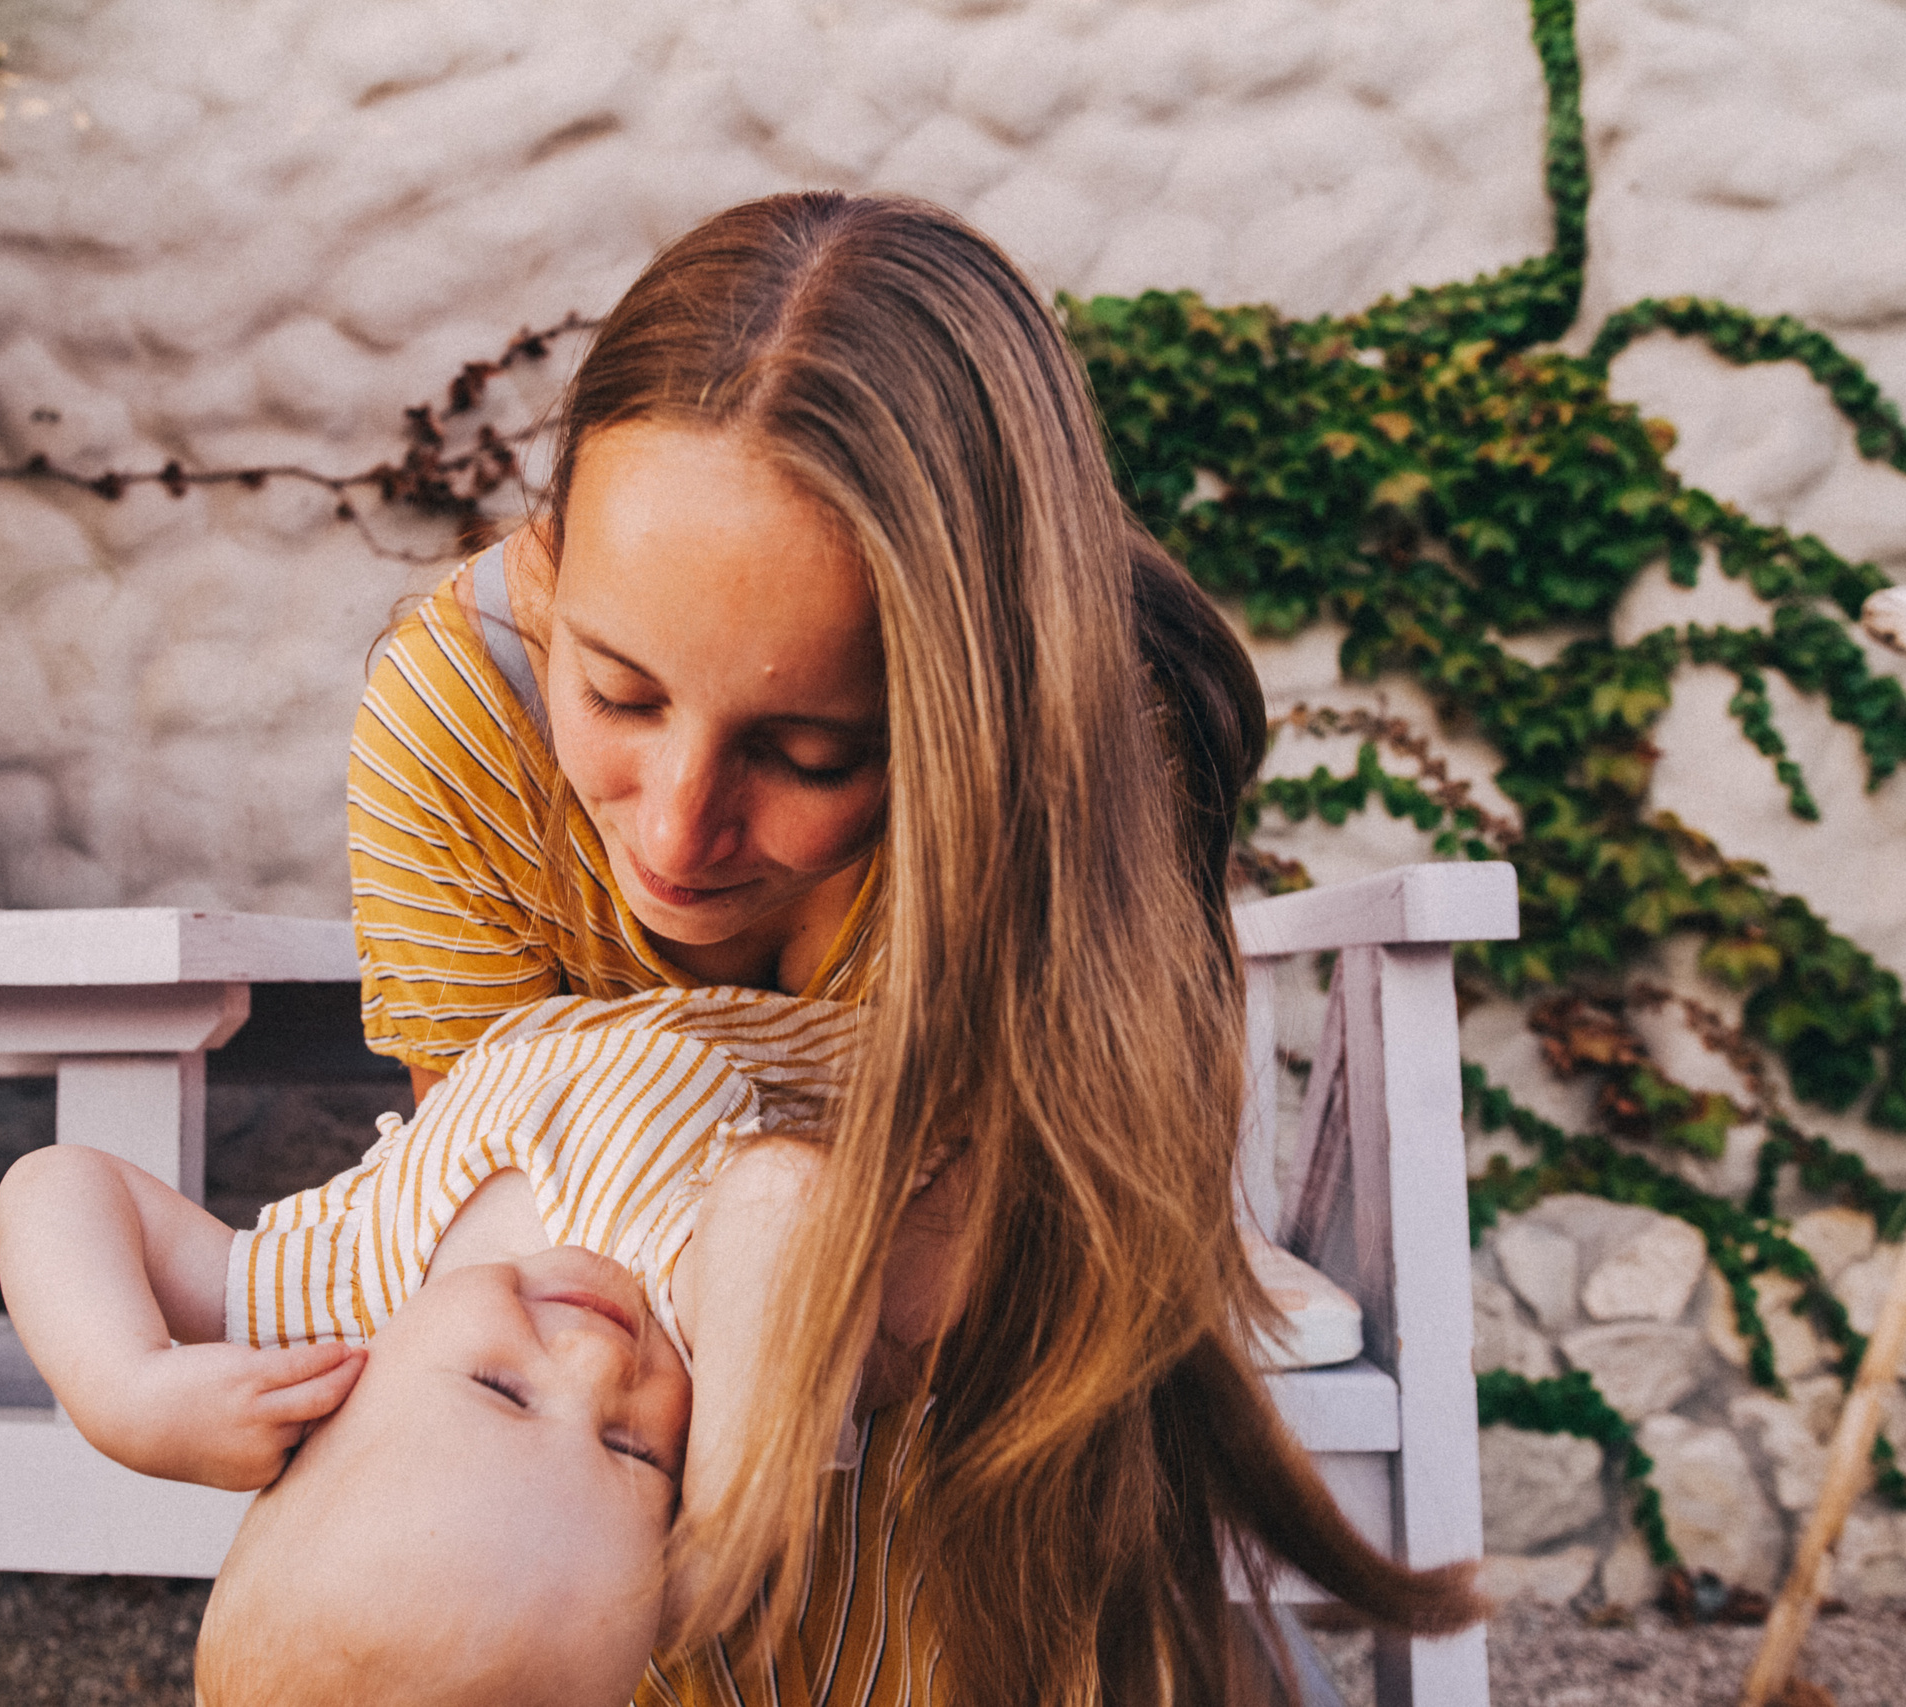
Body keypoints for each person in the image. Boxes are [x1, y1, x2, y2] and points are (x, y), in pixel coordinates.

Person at [347, 189, 1484, 1704]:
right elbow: (483, 1217)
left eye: (814, 752)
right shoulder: (453, 712)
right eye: (619, 696)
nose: (678, 834)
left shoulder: (1094, 745)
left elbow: (1021, 1257)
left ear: (976, 710)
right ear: (550, 570)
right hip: (647, 1426)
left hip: (998, 1384)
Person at [0, 984, 921, 1707]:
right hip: (856, 1028)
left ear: (328, 1415)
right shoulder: (696, 1321)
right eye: (633, 1451)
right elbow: (786, 1201)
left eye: (501, 1390)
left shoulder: (343, 1302)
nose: (597, 1365)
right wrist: (730, 1523)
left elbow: (59, 1185)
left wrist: (125, 1388)